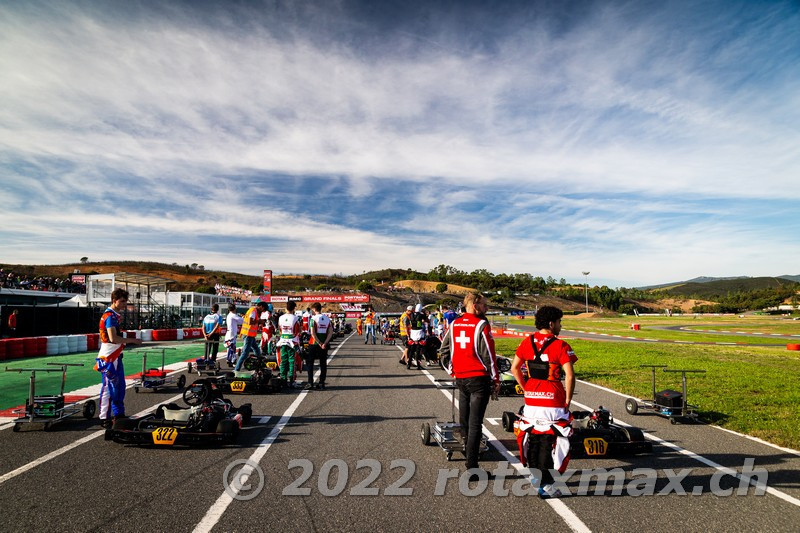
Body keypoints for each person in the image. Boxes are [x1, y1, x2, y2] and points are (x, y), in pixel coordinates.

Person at [510, 305, 577, 499]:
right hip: (553, 401)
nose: (560, 326)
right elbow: (570, 376)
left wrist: (525, 387)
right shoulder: (561, 345)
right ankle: (546, 484)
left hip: (532, 400)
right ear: (551, 323)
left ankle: (535, 476)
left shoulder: (526, 342)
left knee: (534, 438)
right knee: (551, 441)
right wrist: (568, 398)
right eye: (559, 322)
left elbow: (515, 368)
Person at [440, 292, 499, 475]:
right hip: (478, 379)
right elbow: (489, 354)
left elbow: (443, 351)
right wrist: (496, 379)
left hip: (461, 379)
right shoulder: (482, 324)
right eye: (484, 305)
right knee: (475, 424)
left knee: (464, 420)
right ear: (474, 305)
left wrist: (452, 371)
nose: (486, 308)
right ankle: (472, 467)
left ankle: (469, 453)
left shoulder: (454, 323)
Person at [96, 288, 141, 427]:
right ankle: (104, 417)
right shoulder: (110, 316)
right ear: (114, 301)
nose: (124, 304)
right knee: (109, 387)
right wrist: (133, 341)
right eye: (122, 301)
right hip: (108, 357)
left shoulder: (115, 315)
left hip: (115, 356)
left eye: (125, 302)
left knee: (120, 386)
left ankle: (119, 414)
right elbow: (113, 338)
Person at [306, 303, 333, 390]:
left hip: (314, 343)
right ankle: (321, 383)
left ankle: (310, 382)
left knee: (310, 363)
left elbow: (312, 333)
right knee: (323, 363)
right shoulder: (327, 318)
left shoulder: (313, 319)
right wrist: (325, 343)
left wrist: (319, 342)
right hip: (324, 345)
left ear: (314, 309)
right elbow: (330, 332)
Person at [234, 301, 267, 371]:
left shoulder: (255, 312)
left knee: (257, 350)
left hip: (251, 335)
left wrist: (260, 321)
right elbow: (250, 322)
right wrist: (260, 321)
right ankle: (236, 369)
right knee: (245, 353)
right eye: (263, 310)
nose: (262, 311)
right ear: (261, 306)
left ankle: (258, 365)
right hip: (248, 334)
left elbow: (253, 321)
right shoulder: (253, 310)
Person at [276, 301, 302, 387]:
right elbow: (298, 331)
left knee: (283, 361)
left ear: (286, 307)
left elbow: (279, 330)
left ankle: (283, 379)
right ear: (294, 308)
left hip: (283, 341)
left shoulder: (281, 317)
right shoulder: (296, 318)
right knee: (292, 361)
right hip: (292, 342)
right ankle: (291, 380)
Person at [406, 304, 428, 370]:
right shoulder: (421, 315)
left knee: (411, 350)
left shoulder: (411, 314)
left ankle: (408, 364)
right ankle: (418, 365)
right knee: (419, 350)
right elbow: (426, 319)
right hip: (419, 332)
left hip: (412, 332)